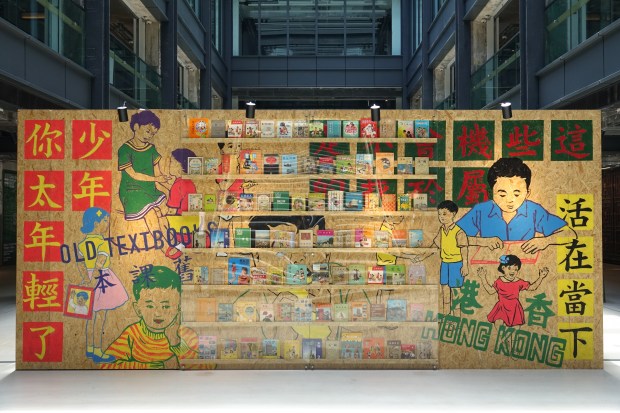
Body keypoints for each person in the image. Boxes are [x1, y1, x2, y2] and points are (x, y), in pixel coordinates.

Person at [456, 157, 575, 254]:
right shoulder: (480, 211)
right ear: (490, 193)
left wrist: (545, 241)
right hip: (490, 268)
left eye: (517, 194)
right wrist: (482, 241)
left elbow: (570, 234)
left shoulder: (534, 210)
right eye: (502, 194)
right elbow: (452, 237)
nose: (510, 200)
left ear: (527, 193)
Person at [100, 266, 199, 369]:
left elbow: (202, 367)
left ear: (179, 308)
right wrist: (144, 366)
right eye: (150, 306)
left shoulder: (186, 334)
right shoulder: (133, 334)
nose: (157, 313)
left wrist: (177, 345)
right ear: (138, 309)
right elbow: (105, 364)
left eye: (166, 306)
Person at [118, 110, 184, 259]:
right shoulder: (124, 149)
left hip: (150, 190)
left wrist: (168, 183)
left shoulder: (151, 149)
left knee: (166, 210)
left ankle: (173, 241)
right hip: (132, 192)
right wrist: (156, 179)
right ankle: (166, 248)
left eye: (153, 133)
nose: (149, 136)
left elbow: (158, 173)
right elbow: (134, 174)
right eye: (148, 131)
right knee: (152, 215)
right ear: (136, 127)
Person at [76, 207, 129, 363]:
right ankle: (98, 352)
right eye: (105, 221)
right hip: (101, 280)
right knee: (100, 317)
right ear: (95, 223)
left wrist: (87, 279)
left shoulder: (82, 244)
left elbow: (80, 265)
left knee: (90, 317)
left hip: (89, 279)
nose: (107, 224)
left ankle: (90, 349)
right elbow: (100, 262)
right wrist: (94, 279)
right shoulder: (102, 243)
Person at [476, 254, 549, 327]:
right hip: (502, 307)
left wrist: (541, 277)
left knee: (516, 327)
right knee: (498, 323)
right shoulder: (499, 281)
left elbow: (532, 287)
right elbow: (490, 291)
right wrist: (483, 278)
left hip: (515, 308)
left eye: (515, 269)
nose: (513, 271)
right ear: (503, 268)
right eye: (509, 268)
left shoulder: (519, 282)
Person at [432, 200, 468, 315]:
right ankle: (446, 316)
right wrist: (422, 255)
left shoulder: (459, 232)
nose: (441, 217)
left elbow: (464, 248)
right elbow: (435, 245)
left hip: (456, 264)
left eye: (444, 214)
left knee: (456, 293)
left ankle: (456, 319)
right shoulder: (442, 230)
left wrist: (465, 265)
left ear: (453, 214)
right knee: (445, 292)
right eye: (439, 214)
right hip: (445, 264)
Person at [167, 148, 198, 215]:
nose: (169, 165)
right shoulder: (189, 182)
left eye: (171, 162)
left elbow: (172, 211)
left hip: (179, 218)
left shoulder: (178, 183)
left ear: (181, 165)